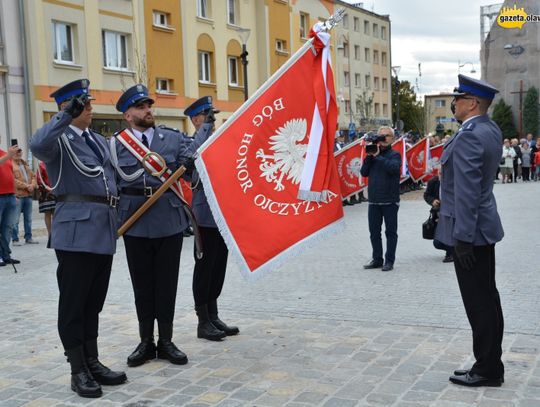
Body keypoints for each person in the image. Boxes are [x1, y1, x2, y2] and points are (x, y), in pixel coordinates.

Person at [30, 79, 126, 398]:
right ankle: (77, 369)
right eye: (82, 104)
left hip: (102, 230)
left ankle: (92, 360)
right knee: (73, 304)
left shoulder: (97, 140)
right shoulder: (60, 139)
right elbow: (37, 145)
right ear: (67, 107)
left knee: (92, 302)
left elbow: (110, 182)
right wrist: (63, 117)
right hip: (75, 232)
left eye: (88, 102)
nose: (89, 107)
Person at [111, 85, 210, 367]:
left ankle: (166, 340)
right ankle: (146, 342)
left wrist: (202, 137)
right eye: (140, 107)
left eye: (148, 105)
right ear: (128, 115)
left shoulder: (171, 137)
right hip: (135, 220)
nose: (147, 110)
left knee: (166, 284)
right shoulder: (116, 144)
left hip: (168, 218)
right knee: (142, 285)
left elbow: (191, 162)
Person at [436, 74, 505, 387]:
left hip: (471, 233)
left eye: (458, 97)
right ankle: (489, 363)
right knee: (488, 299)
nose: (454, 102)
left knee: (479, 303)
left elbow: (466, 191)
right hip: (482, 229)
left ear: (472, 103)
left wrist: (461, 238)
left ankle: (487, 369)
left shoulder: (470, 135)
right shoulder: (488, 129)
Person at [185, 96, 239, 341]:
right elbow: (193, 157)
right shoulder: (190, 142)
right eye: (206, 116)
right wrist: (205, 129)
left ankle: (213, 314)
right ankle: (202, 321)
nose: (211, 121)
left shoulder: (217, 142)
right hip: (204, 215)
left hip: (222, 214)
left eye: (212, 117)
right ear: (196, 119)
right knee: (205, 267)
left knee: (218, 266)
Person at [360, 126, 401, 272]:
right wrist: (369, 157)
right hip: (374, 200)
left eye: (386, 136)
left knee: (390, 232)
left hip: (390, 200)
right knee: (374, 232)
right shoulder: (372, 153)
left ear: (392, 138)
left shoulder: (395, 154)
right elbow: (364, 172)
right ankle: (377, 259)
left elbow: (394, 169)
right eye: (381, 136)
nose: (383, 139)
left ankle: (389, 261)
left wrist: (378, 156)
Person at [423, 170, 453, 262]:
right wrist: (433, 201)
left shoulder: (454, 181)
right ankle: (453, 249)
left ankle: (450, 253)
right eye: (440, 173)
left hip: (452, 213)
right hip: (438, 214)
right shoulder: (433, 182)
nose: (442, 175)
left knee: (449, 233)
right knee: (437, 243)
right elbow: (427, 195)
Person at [11, 148, 38, 245]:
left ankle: (28, 237)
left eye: (20, 152)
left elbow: (34, 176)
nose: (18, 154)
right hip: (18, 196)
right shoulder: (10, 165)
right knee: (15, 219)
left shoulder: (25, 164)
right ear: (12, 153)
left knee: (28, 218)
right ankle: (15, 239)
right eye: (16, 152)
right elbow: (13, 180)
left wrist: (32, 185)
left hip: (28, 195)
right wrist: (27, 186)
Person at [0, 144, 20, 267]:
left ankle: (6, 255)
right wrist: (8, 156)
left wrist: (16, 194)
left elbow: (11, 175)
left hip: (10, 196)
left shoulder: (5, 153)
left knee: (8, 227)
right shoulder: (7, 155)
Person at [36, 161, 56, 236]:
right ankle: (50, 233)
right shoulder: (41, 165)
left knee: (56, 213)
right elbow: (39, 179)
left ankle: (55, 232)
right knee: (47, 213)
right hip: (45, 192)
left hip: (55, 191)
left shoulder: (55, 163)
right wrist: (47, 188)